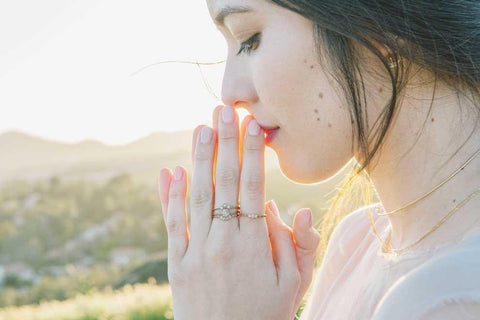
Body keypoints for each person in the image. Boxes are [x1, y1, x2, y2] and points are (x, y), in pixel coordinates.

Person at [157, 0, 480, 319]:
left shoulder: (445, 300)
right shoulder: (356, 241)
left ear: (378, 23)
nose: (229, 91)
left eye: (249, 40)